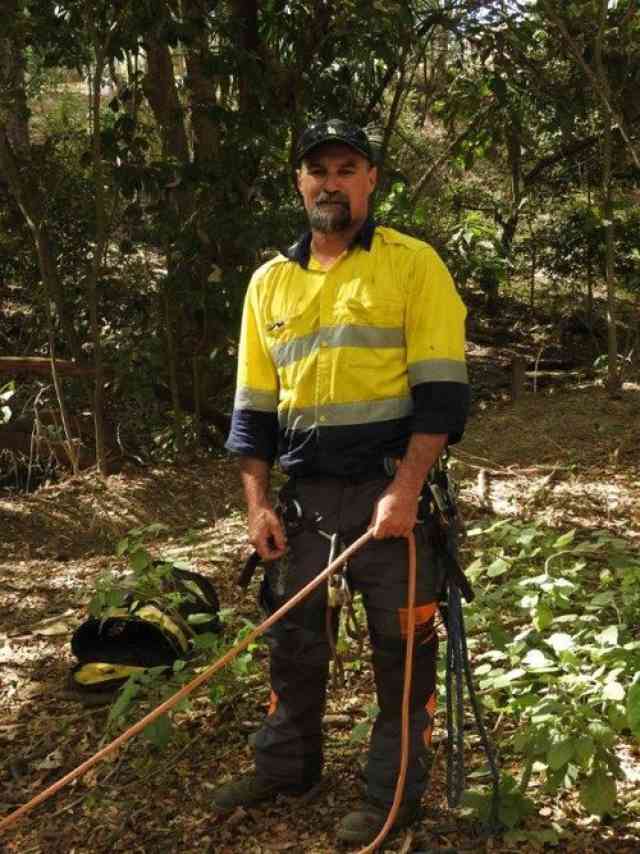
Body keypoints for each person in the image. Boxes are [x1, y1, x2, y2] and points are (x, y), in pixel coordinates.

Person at [217, 118, 469, 845]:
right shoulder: (270, 283)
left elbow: (443, 394)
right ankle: (288, 765)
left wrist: (409, 488)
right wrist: (258, 505)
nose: (331, 181)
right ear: (299, 182)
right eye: (318, 169)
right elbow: (252, 410)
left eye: (347, 168)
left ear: (371, 180)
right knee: (293, 642)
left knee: (403, 652)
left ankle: (394, 796)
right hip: (301, 499)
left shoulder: (412, 265)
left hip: (389, 495)